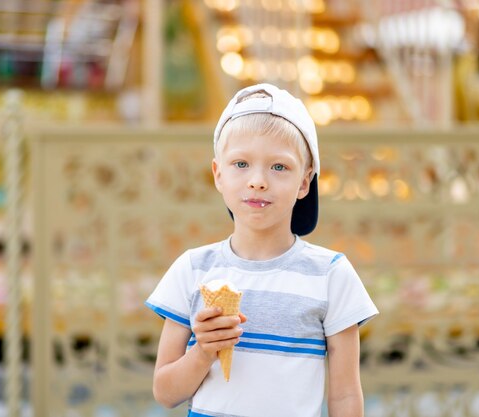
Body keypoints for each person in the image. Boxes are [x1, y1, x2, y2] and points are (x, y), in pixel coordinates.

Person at [145, 83, 378, 417]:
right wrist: (203, 351)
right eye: (241, 164)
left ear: (304, 182)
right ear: (218, 174)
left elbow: (344, 397)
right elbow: (165, 393)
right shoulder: (193, 269)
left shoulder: (331, 275)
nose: (258, 180)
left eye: (279, 167)